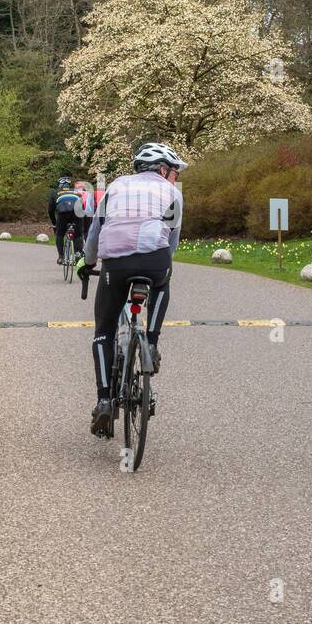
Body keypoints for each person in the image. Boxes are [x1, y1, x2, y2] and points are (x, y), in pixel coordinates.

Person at [78, 142, 186, 439]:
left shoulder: (115, 186)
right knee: (165, 278)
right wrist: (159, 262)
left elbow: (95, 232)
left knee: (103, 330)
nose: (175, 178)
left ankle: (103, 400)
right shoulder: (173, 192)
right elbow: (172, 240)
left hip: (116, 266)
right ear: (163, 169)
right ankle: (151, 341)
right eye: (174, 172)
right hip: (155, 262)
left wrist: (87, 263)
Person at [48, 176, 85, 265]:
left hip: (63, 213)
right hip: (77, 212)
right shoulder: (76, 192)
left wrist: (54, 223)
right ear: (69, 185)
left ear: (60, 185)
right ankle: (78, 255)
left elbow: (50, 210)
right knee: (78, 234)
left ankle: (61, 257)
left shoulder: (55, 192)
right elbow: (83, 205)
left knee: (60, 234)